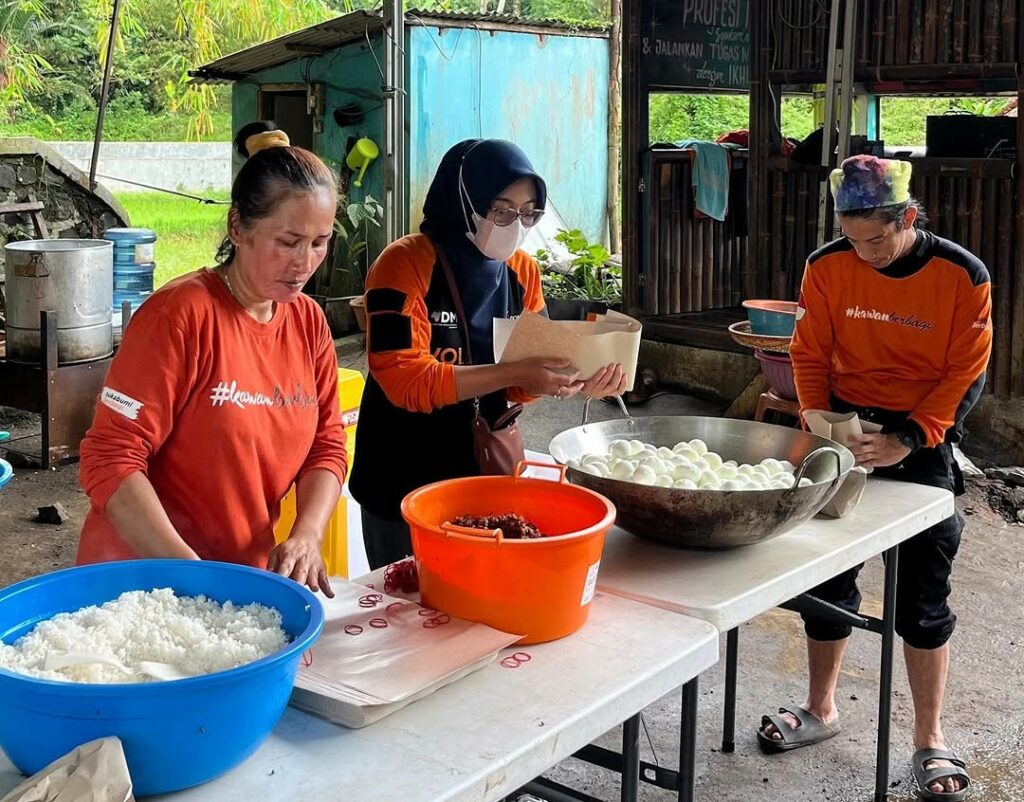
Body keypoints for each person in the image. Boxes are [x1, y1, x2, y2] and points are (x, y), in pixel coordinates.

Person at [760, 155, 991, 801]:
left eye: (877, 240)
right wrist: (816, 418)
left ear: (908, 217)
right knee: (826, 578)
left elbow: (965, 374)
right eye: (853, 238)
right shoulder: (826, 265)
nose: (865, 255)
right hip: (843, 429)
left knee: (922, 593)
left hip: (921, 437)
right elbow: (807, 351)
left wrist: (911, 438)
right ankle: (820, 709)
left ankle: (929, 738)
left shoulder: (960, 274)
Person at [77, 121, 347, 597]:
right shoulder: (179, 316)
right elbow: (111, 459)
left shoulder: (307, 323)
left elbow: (326, 445)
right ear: (237, 226)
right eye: (287, 242)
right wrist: (195, 578)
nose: (304, 261)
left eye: (319, 242)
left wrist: (306, 534)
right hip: (141, 582)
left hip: (241, 581)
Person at [348, 139, 627, 569]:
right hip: (402, 475)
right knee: (409, 611)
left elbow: (522, 380)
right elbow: (403, 380)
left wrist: (566, 380)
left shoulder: (523, 272)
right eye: (501, 210)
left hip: (483, 476)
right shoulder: (402, 265)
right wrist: (513, 370)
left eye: (528, 212)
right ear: (465, 200)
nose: (514, 225)